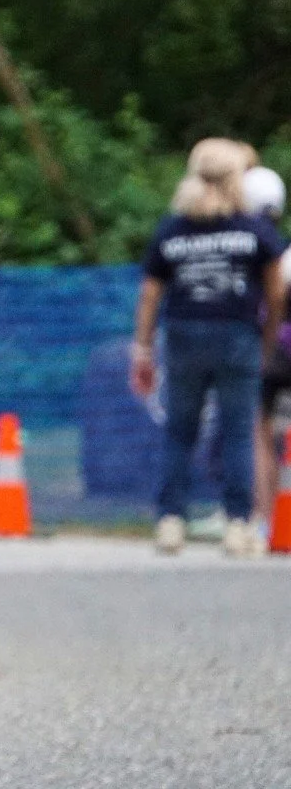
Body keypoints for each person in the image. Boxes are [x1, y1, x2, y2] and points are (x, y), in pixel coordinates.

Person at [130, 138, 284, 556]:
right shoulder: (253, 230)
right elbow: (275, 292)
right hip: (238, 336)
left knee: (180, 430)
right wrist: (267, 338)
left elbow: (150, 294)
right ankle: (238, 524)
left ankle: (170, 521)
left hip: (183, 335)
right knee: (238, 432)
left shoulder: (173, 229)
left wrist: (142, 348)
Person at [242, 165, 291, 535]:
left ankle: (264, 518)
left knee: (260, 432)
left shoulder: (245, 248)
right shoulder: (283, 249)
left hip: (269, 352)